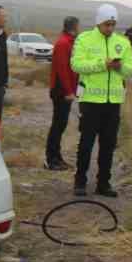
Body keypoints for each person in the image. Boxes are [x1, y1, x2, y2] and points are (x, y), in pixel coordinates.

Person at [71, 4, 132, 198]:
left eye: (113, 24)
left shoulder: (122, 42)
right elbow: (76, 64)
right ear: (98, 22)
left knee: (108, 144)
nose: (110, 28)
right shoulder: (84, 39)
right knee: (86, 143)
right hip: (90, 101)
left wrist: (118, 67)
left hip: (113, 102)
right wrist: (103, 64)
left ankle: (103, 183)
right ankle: (80, 181)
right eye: (106, 24)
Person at [45, 16, 81, 170]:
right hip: (61, 90)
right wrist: (68, 91)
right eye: (78, 26)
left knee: (61, 124)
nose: (80, 29)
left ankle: (57, 157)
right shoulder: (63, 43)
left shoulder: (70, 42)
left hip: (66, 90)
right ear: (73, 27)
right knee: (58, 125)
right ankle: (51, 159)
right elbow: (62, 70)